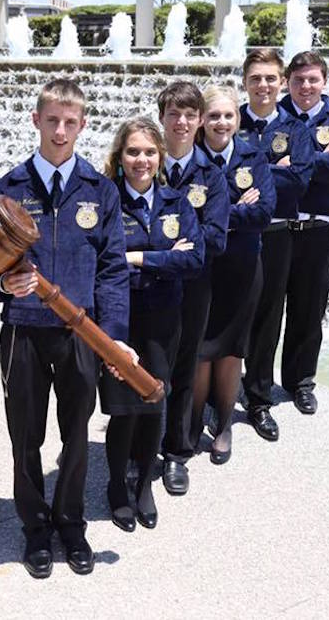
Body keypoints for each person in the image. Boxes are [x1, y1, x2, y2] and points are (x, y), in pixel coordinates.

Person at [0, 79, 133, 578]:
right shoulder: (8, 188)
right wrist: (4, 285)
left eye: (70, 122)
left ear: (83, 125)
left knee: (76, 433)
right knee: (24, 435)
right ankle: (35, 528)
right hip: (23, 332)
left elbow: (114, 268)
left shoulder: (101, 190)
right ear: (36, 120)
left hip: (80, 334)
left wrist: (113, 335)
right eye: (52, 119)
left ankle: (70, 523)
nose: (60, 130)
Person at [100, 117, 203, 532]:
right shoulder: (106, 202)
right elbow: (104, 261)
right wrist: (165, 257)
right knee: (123, 408)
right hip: (118, 317)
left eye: (148, 152)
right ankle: (116, 488)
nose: (141, 160)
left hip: (163, 318)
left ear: (160, 156)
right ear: (119, 157)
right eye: (132, 152)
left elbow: (194, 260)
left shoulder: (177, 202)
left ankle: (144, 485)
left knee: (154, 400)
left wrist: (139, 258)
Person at [190, 84, 275, 464]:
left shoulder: (253, 157)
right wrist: (234, 209)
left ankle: (223, 426)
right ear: (202, 120)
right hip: (200, 269)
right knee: (198, 353)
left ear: (237, 119)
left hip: (242, 268)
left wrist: (214, 213)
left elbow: (263, 213)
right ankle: (191, 426)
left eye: (228, 115)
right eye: (213, 116)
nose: (221, 122)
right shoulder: (189, 160)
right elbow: (185, 220)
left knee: (230, 353)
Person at [277, 51, 329, 419]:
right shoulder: (273, 117)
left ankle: (300, 383)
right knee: (262, 314)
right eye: (298, 80)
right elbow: (259, 162)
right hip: (276, 229)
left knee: (308, 313)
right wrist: (316, 156)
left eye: (312, 80)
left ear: (323, 81)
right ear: (287, 83)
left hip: (319, 230)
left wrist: (295, 159)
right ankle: (255, 384)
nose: (305, 87)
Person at [238, 49, 315, 442]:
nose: (263, 85)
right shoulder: (228, 121)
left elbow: (299, 180)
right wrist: (272, 169)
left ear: (281, 81)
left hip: (277, 233)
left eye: (270, 78)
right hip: (234, 234)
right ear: (245, 81)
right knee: (228, 314)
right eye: (256, 78)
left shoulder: (295, 128)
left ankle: (257, 399)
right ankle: (215, 395)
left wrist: (250, 174)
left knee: (269, 319)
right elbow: (218, 173)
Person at [157, 81, 230, 495]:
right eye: (173, 115)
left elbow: (216, 239)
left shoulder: (212, 177)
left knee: (184, 370)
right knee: (145, 369)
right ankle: (138, 450)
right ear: (162, 118)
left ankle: (176, 453)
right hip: (147, 290)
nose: (181, 123)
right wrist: (177, 248)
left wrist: (160, 247)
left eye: (189, 115)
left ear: (200, 121)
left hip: (194, 289)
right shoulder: (146, 162)